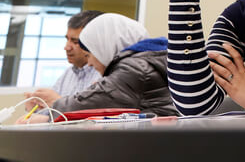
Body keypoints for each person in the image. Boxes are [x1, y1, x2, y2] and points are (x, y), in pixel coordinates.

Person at [17, 13, 177, 123]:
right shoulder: (142, 63)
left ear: (105, 46)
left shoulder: (134, 68)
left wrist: (51, 108)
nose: (90, 62)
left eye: (90, 54)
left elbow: (88, 103)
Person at [23, 9, 103, 111]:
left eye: (75, 42)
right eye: (67, 39)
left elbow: (95, 117)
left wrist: (59, 103)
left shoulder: (105, 75)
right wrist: (36, 109)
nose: (67, 47)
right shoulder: (68, 74)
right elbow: (51, 114)